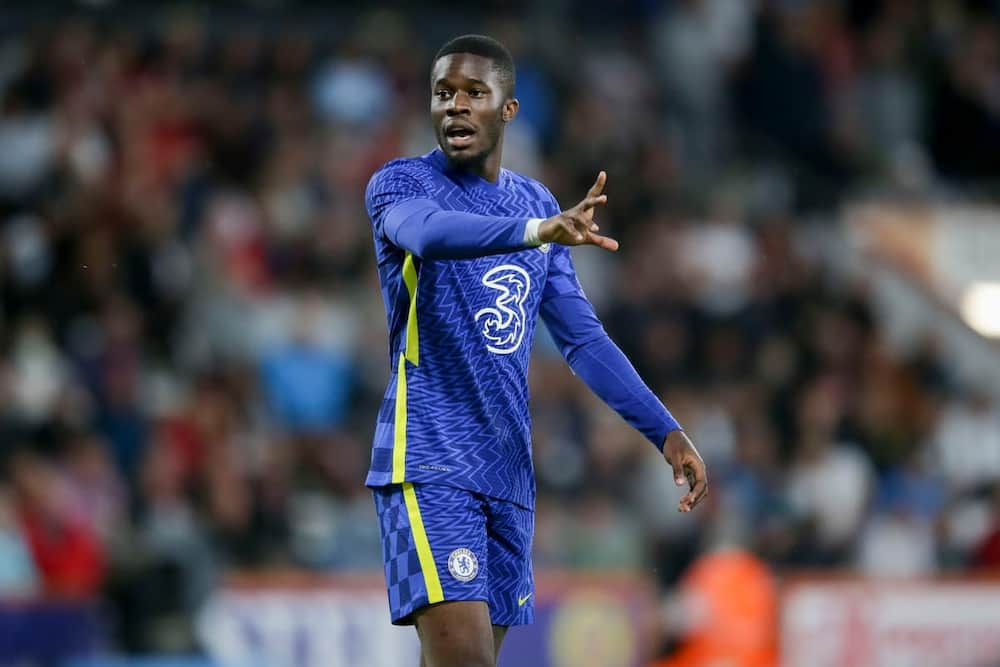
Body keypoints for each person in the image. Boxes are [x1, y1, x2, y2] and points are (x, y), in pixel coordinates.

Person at [365, 34, 708, 667]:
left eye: (474, 93)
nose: (455, 107)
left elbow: (581, 339)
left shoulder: (536, 202)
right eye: (443, 94)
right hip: (430, 457)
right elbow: (430, 235)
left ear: (509, 109)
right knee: (462, 658)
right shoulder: (400, 185)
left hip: (508, 471)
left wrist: (665, 430)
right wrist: (534, 234)